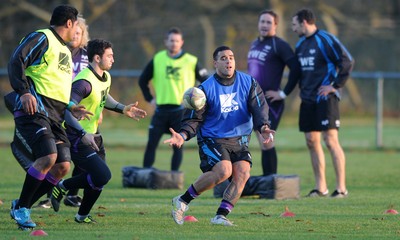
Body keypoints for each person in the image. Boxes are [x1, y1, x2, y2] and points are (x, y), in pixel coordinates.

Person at [164, 46, 275, 226]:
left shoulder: (249, 83)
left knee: (243, 173)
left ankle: (220, 216)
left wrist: (263, 126)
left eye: (231, 57)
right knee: (224, 170)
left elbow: (259, 108)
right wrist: (183, 135)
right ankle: (182, 201)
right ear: (215, 63)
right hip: (213, 138)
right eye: (223, 58)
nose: (228, 61)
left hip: (240, 139)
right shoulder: (204, 89)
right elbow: (194, 119)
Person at [7, 5, 91, 229]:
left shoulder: (64, 49)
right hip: (35, 111)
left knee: (63, 166)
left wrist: (70, 107)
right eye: (77, 25)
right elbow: (16, 60)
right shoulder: (42, 37)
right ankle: (23, 209)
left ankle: (21, 205)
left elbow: (53, 84)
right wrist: (24, 91)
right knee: (48, 157)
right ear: (70, 23)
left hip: (56, 115)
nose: (78, 31)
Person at [49, 39, 147, 223]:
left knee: (99, 180)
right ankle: (62, 186)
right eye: (109, 56)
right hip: (77, 137)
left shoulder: (105, 76)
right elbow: (67, 110)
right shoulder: (83, 82)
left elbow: (103, 94)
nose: (113, 59)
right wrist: (81, 133)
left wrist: (122, 108)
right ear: (96, 58)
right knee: (103, 175)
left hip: (94, 134)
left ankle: (82, 215)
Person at [284, 8, 354, 198]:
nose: (293, 28)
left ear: (304, 22)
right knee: (311, 141)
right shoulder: (300, 45)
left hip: (326, 99)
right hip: (307, 101)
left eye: (294, 24)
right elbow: (297, 73)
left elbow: (347, 61)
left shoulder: (326, 39)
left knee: (330, 141)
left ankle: (341, 188)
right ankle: (320, 188)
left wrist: (335, 86)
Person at [36, 16, 91, 209]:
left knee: (81, 154)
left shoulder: (88, 55)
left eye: (79, 32)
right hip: (60, 107)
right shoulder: (61, 50)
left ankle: (71, 194)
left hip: (83, 110)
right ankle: (47, 195)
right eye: (74, 31)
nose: (75, 35)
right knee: (58, 154)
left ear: (84, 35)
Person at [139, 27, 208, 171]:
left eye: (177, 41)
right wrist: (150, 99)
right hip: (160, 111)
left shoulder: (191, 61)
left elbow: (206, 82)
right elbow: (142, 80)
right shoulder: (158, 59)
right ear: (166, 42)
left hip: (181, 111)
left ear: (181, 42)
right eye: (171, 40)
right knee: (151, 143)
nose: (174, 44)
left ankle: (174, 176)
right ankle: (144, 175)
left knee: (177, 145)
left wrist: (199, 101)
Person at [247, 9, 301, 176]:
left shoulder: (280, 45)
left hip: (270, 103)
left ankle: (271, 181)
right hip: (252, 100)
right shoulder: (255, 44)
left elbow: (296, 69)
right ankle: (266, 181)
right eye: (262, 21)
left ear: (276, 25)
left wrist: (283, 93)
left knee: (267, 141)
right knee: (259, 142)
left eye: (268, 22)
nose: (264, 25)